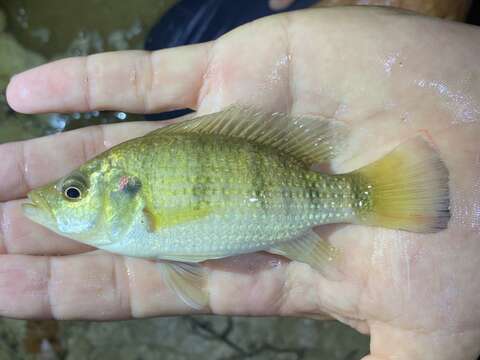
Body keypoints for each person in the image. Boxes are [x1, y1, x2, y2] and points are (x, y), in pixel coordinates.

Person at [1, 6, 480, 360]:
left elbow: (183, 263)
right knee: (173, 34)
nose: (60, 200)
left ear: (125, 189)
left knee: (174, 33)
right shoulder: (133, 215)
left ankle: (370, 194)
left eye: (73, 192)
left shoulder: (137, 217)